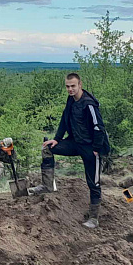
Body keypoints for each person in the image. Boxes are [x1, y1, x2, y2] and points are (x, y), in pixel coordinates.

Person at [29, 73, 109, 229]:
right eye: (67, 86)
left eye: (73, 86)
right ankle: (47, 186)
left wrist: (96, 149)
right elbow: (64, 120)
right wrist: (57, 139)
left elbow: (99, 128)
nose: (70, 89)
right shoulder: (71, 101)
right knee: (47, 148)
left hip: (91, 147)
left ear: (80, 84)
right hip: (75, 142)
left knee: (93, 182)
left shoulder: (89, 104)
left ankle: (93, 218)